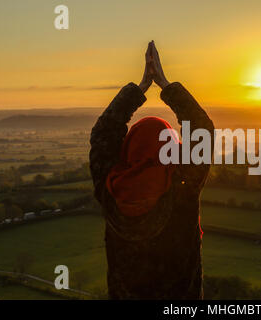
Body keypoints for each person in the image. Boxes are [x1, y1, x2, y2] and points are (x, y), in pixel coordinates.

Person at [89, 41, 214, 299]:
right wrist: (165, 85)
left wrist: (141, 87)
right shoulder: (182, 187)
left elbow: (104, 134)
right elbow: (202, 131)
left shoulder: (111, 190)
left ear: (128, 151)